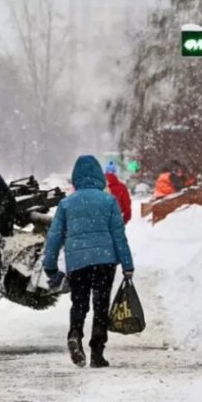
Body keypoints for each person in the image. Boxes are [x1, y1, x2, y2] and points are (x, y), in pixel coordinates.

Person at [44, 155, 134, 368]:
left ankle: (75, 334)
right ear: (98, 176)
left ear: (76, 177)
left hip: (78, 261)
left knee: (80, 303)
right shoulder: (108, 201)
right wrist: (127, 265)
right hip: (105, 261)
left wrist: (50, 265)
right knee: (101, 305)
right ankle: (97, 352)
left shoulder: (66, 204)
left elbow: (54, 236)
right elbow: (118, 235)